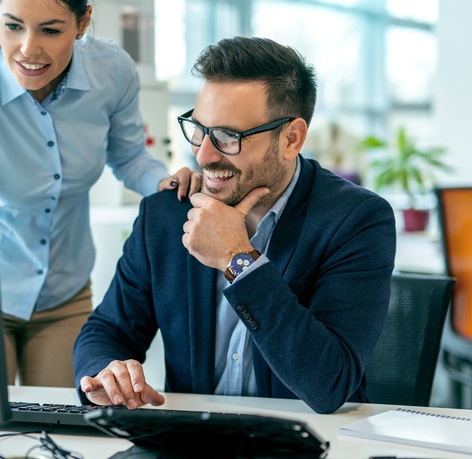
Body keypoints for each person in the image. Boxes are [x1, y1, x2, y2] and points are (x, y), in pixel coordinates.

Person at [73, 36, 396, 414]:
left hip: (306, 443)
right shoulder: (166, 214)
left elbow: (329, 384)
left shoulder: (356, 220)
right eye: (199, 129)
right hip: (193, 445)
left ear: (291, 139)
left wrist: (236, 257)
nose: (203, 155)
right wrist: (107, 372)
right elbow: (106, 331)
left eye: (229, 137)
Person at [0, 0, 198, 387]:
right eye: (12, 26)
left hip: (66, 294)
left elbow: (130, 157)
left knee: (60, 433)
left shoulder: (112, 71)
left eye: (50, 30)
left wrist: (170, 183)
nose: (28, 49)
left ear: (83, 21)